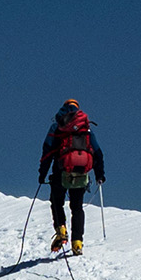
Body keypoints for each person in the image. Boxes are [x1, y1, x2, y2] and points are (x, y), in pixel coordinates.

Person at [40, 99, 103, 252]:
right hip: (81, 172)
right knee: (77, 207)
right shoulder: (86, 127)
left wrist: (42, 173)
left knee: (56, 202)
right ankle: (77, 243)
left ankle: (61, 229)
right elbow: (97, 152)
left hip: (60, 172)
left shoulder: (57, 126)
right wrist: (99, 174)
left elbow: (47, 150)